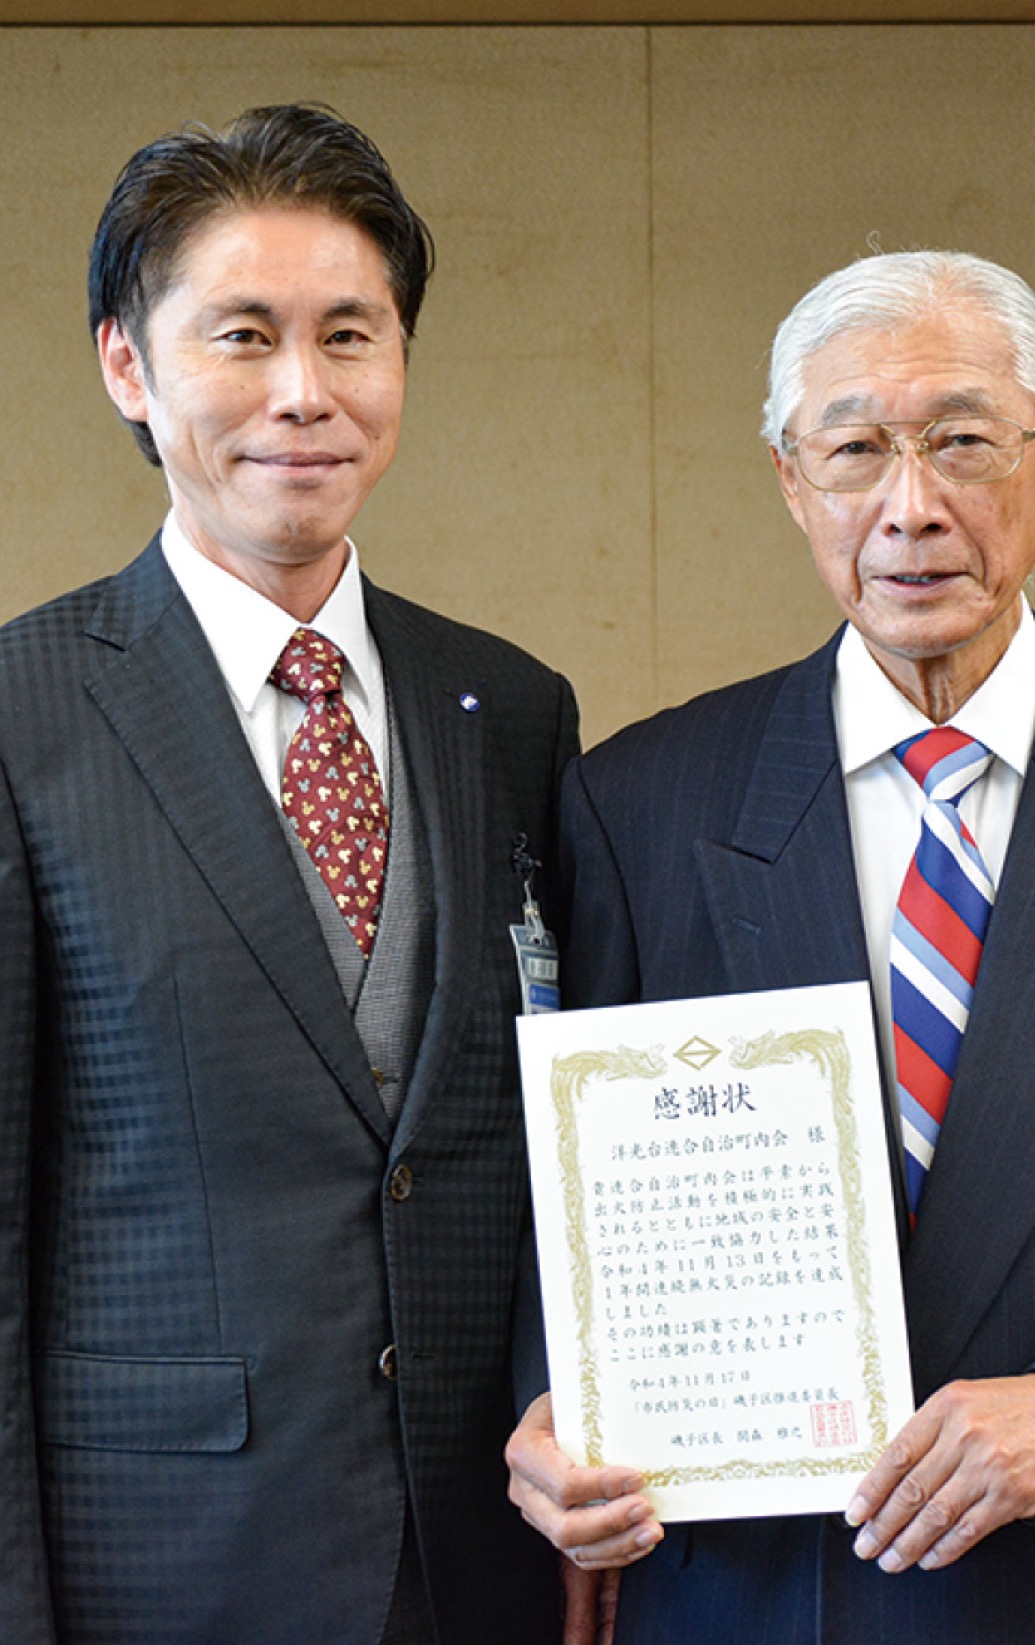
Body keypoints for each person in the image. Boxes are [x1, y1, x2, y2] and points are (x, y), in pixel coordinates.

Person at [506, 250, 1035, 1643]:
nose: (911, 507)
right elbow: (559, 1186)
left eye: (962, 441)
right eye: (856, 450)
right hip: (751, 1593)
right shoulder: (641, 803)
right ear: (788, 478)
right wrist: (553, 1407)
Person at [0, 104, 577, 1645]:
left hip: (478, 1563)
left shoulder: (511, 709)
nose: (303, 395)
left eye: (351, 335)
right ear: (128, 363)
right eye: (242, 337)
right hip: (159, 1568)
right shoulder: (22, 713)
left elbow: (547, 1160)